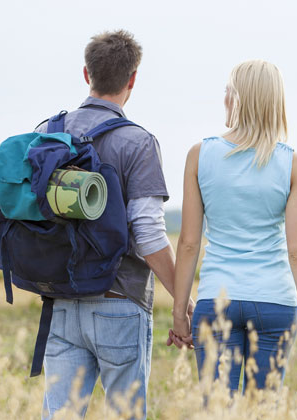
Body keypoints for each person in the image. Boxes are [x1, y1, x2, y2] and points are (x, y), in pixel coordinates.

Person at [37, 30, 193, 419]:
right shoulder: (137, 142)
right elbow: (148, 233)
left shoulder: (45, 133)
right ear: (133, 79)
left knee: (59, 414)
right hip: (120, 300)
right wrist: (181, 299)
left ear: (86, 74)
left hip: (59, 300)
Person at [168, 59, 297, 392]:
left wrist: (179, 313)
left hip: (217, 301)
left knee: (215, 411)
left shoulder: (199, 155)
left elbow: (188, 243)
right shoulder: (295, 164)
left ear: (239, 99)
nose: (224, 98)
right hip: (275, 303)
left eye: (228, 91)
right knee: (263, 410)